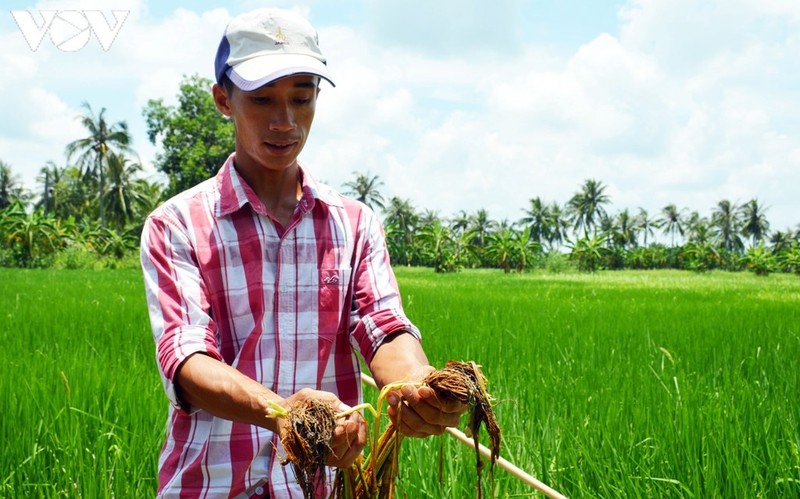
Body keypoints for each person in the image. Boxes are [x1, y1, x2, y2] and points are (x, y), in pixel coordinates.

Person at [140, 8, 466, 498]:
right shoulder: (179, 224)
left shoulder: (354, 224)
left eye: (302, 97)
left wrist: (414, 386)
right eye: (262, 99)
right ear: (223, 100)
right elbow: (186, 361)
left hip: (320, 487)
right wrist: (284, 412)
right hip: (210, 484)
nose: (285, 121)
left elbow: (383, 326)